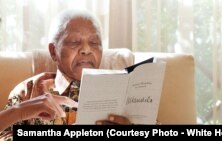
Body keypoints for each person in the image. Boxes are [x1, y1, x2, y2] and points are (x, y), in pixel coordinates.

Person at [1, 9, 131, 140]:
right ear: (53, 52)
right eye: (74, 42)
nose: (86, 50)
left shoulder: (123, 93)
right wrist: (18, 112)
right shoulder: (28, 91)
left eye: (94, 43)